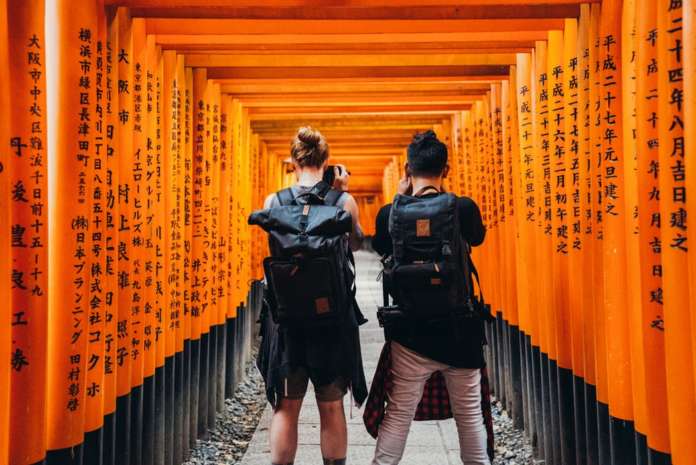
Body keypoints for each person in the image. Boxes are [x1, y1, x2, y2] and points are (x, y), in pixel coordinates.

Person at [369, 130, 490, 465]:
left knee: (398, 413)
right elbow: (477, 238)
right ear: (445, 170)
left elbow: (380, 247)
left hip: (410, 332)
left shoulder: (389, 213)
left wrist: (399, 199)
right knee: (469, 415)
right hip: (459, 330)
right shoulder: (462, 208)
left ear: (407, 170)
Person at [257, 126, 368, 465]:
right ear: (327, 162)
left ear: (293, 161)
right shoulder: (343, 201)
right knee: (331, 406)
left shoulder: (274, 202)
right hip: (331, 318)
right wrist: (341, 193)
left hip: (287, 319)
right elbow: (356, 243)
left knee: (286, 406)